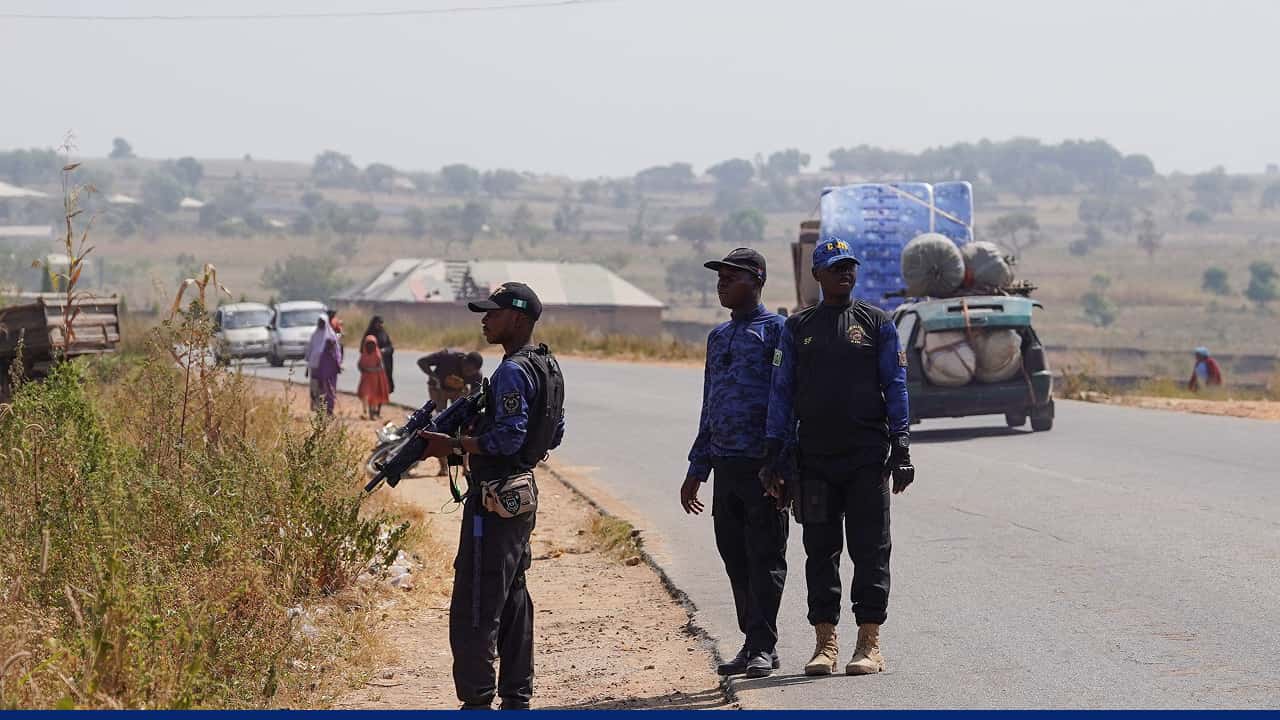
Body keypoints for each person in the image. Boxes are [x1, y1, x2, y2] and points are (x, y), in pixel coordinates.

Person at [761, 237, 914, 677]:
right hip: (815, 461)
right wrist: (775, 452)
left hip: (867, 458)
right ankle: (825, 643)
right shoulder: (797, 328)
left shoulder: (877, 323)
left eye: (849, 266)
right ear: (817, 276)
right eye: (834, 267)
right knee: (820, 551)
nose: (844, 273)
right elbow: (782, 392)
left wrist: (901, 446)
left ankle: (869, 642)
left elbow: (896, 386)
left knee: (871, 550)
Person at [417, 282, 566, 710]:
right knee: (513, 592)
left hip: (496, 498)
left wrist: (457, 446)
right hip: (519, 493)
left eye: (493, 313)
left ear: (517, 318)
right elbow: (554, 430)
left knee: (477, 600)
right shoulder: (548, 365)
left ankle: (478, 697)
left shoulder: (513, 371)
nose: (484, 320)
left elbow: (507, 436)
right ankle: (517, 695)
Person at [680, 248, 789, 679]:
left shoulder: (779, 332)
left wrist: (781, 463)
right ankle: (752, 640)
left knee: (766, 555)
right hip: (725, 464)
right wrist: (696, 468)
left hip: (763, 466)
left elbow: (788, 401)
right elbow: (710, 405)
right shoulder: (718, 337)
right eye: (719, 277)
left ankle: (764, 644)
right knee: (734, 556)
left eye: (732, 276)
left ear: (756, 280)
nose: (721, 283)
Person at [304, 317, 337, 413]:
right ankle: (317, 407)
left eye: (322, 322)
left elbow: (336, 351)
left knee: (326, 388)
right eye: (319, 322)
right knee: (315, 388)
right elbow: (310, 349)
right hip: (315, 367)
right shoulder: (314, 335)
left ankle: (327, 408)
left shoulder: (331, 335)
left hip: (326, 368)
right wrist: (307, 366)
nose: (320, 324)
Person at [357, 334, 392, 419]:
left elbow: (380, 367)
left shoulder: (377, 354)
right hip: (366, 378)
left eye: (372, 344)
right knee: (365, 394)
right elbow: (359, 365)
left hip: (375, 378)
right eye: (368, 344)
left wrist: (370, 370)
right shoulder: (364, 354)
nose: (370, 346)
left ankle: (372, 413)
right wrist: (363, 368)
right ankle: (365, 412)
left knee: (373, 397)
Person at [311, 325, 342, 416]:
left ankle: (330, 411)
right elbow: (319, 368)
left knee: (331, 395)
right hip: (323, 379)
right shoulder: (322, 356)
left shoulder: (334, 355)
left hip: (331, 379)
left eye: (332, 344)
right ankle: (321, 412)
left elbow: (337, 366)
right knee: (322, 395)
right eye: (329, 344)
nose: (331, 346)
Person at [364, 315, 396, 395]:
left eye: (381, 323)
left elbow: (390, 346)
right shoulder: (369, 334)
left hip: (385, 361)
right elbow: (363, 349)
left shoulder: (384, 334)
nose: (380, 325)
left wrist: (385, 350)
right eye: (379, 323)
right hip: (373, 363)